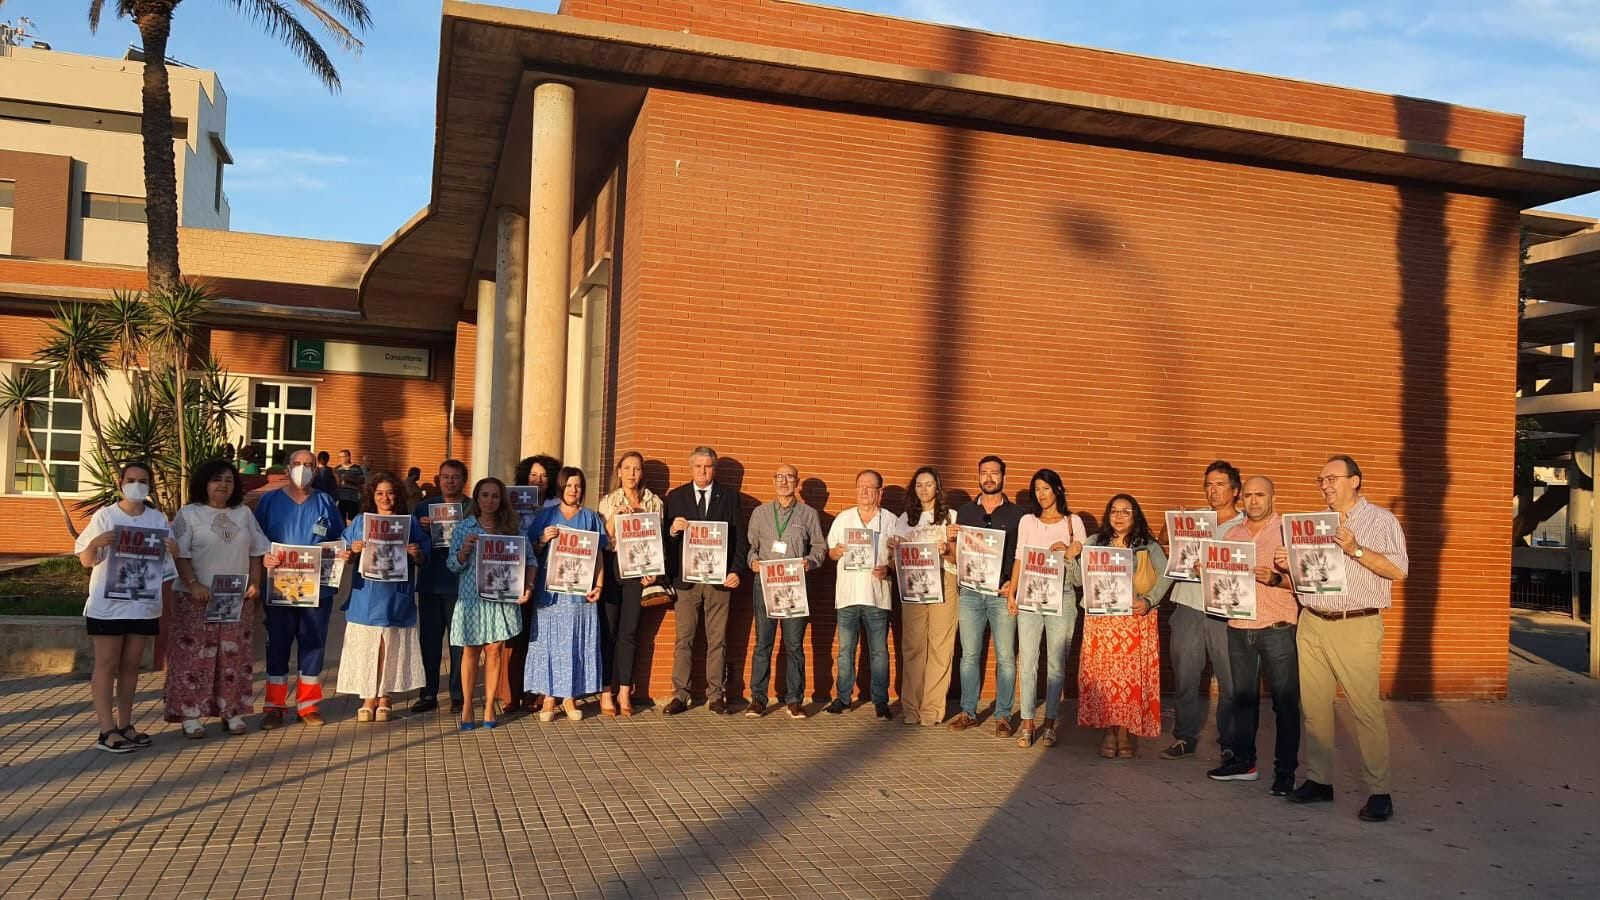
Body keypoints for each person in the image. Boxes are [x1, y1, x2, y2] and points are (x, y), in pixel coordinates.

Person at [1274, 455, 1407, 822]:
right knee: (1315, 710)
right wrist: (1289, 563)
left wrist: (1355, 549)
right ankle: (1319, 781)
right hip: (1313, 621)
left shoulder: (1381, 520)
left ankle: (1380, 792)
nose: (1325, 485)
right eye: (1321, 480)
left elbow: (1399, 570)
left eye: (1332, 478)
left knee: (1365, 710)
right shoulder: (1314, 524)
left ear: (1356, 480)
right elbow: (1307, 578)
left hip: (1356, 624)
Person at [75, 460, 178, 753]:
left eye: (142, 480)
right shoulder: (105, 516)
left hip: (143, 606)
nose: (136, 485)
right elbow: (85, 558)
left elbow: (169, 564)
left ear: (150, 485)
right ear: (120, 483)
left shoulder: (157, 519)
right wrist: (96, 543)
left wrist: (174, 549)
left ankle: (125, 724)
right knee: (107, 664)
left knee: (131, 666)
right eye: (131, 479)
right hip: (107, 606)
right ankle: (106, 730)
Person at [1209, 475, 1300, 795]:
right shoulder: (1233, 534)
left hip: (1277, 626)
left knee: (1285, 704)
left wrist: (1276, 578)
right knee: (1243, 701)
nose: (1253, 501)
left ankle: (1285, 772)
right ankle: (1244, 762)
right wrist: (1206, 573)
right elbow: (1221, 582)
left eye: (1260, 495)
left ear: (1273, 497)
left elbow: (1309, 583)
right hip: (1239, 627)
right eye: (1247, 495)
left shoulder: (1288, 532)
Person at [166, 458, 270, 738]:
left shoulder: (244, 514)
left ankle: (232, 711)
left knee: (233, 656)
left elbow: (257, 551)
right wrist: (193, 584)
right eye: (216, 480)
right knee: (194, 657)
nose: (222, 485)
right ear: (204, 483)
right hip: (196, 598)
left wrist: (256, 583)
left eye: (228, 480)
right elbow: (180, 554)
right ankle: (191, 715)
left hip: (236, 596)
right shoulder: (189, 514)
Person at [1160, 460, 1245, 762]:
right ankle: (1185, 736)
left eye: (1220, 484)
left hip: (1227, 611)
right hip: (1189, 603)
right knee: (1185, 675)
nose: (1213, 490)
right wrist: (1171, 533)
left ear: (1235, 490)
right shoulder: (1194, 519)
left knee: (1230, 680)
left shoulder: (1247, 525)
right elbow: (1165, 549)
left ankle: (1230, 741)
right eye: (1208, 484)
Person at [1078, 493, 1173, 759]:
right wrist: (1072, 556)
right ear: (1108, 516)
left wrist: (1149, 601)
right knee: (1106, 680)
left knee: (1130, 682)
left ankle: (1125, 733)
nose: (1119, 516)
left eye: (1126, 512)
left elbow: (1165, 575)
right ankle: (1109, 731)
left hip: (1135, 622)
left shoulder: (1148, 545)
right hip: (1102, 624)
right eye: (1114, 511)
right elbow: (1078, 578)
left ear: (1135, 516)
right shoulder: (1095, 542)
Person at [256, 448, 345, 729]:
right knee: (278, 646)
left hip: (317, 588)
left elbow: (338, 537)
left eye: (308, 464)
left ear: (316, 470)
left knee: (313, 645)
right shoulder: (269, 502)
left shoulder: (325, 502)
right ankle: (274, 706)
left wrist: (341, 553)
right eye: (297, 464)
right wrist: (263, 556)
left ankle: (308, 706)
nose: (302, 469)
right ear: (286, 468)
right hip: (279, 588)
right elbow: (255, 540)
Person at [335, 472, 430, 721]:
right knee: (369, 645)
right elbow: (342, 551)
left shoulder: (408, 522)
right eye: (379, 493)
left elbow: (424, 555)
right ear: (371, 496)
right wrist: (352, 550)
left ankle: (385, 695)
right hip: (366, 593)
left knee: (390, 644)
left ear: (397, 495)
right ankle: (368, 696)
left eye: (390, 492)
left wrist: (416, 553)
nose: (385, 498)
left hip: (396, 596)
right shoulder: (360, 522)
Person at [1003, 469, 1086, 749]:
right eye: (1037, 489)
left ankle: (1049, 724)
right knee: (1027, 661)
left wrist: (1071, 551)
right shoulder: (1028, 521)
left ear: (1058, 490)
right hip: (1029, 595)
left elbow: (1082, 568)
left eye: (1046, 488)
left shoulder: (1074, 523)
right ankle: (1028, 724)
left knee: (1056, 665)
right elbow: (1018, 558)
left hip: (1061, 596)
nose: (1041, 494)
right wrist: (1012, 592)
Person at [661, 446, 745, 715]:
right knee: (683, 638)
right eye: (698, 466)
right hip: (687, 581)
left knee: (717, 640)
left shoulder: (730, 498)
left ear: (714, 469)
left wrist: (736, 570)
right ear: (691, 468)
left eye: (708, 466)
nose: (703, 471)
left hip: (720, 581)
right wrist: (673, 530)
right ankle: (680, 694)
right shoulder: (676, 497)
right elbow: (662, 541)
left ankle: (715, 695)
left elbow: (741, 540)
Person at [948, 455, 1027, 736]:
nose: (989, 478)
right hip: (970, 592)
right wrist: (950, 541)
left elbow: (1024, 556)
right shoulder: (964, 512)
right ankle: (968, 712)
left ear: (1004, 477)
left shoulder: (1019, 516)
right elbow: (956, 557)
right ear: (978, 476)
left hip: (1001, 593)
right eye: (984, 473)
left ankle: (1003, 716)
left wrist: (1013, 585)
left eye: (995, 473)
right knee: (969, 655)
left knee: (1006, 656)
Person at [447, 477, 533, 730]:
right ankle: (466, 707)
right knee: (471, 651)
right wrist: (464, 550)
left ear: (501, 499)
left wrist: (527, 586)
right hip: (472, 600)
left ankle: (488, 708)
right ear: (477, 498)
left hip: (501, 600)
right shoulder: (464, 528)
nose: (490, 501)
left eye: (495, 496)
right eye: (484, 495)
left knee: (495, 651)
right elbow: (452, 565)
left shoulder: (512, 528)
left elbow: (531, 560)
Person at [745, 463, 827, 719]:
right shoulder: (760, 513)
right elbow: (751, 548)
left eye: (789, 477)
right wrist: (753, 562)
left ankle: (794, 700)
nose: (784, 481)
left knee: (794, 644)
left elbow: (820, 548)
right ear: (773, 481)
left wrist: (810, 562)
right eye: (779, 477)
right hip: (766, 584)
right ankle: (758, 699)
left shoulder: (808, 514)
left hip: (794, 586)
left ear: (796, 482)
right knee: (763, 644)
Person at [527, 466, 607, 722]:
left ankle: (570, 696)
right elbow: (531, 552)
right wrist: (541, 539)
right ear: (561, 487)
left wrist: (599, 585)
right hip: (550, 593)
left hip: (578, 593)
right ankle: (549, 696)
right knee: (549, 643)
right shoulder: (547, 515)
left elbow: (599, 555)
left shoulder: (591, 518)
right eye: (570, 485)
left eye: (579, 486)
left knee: (574, 643)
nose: (574, 490)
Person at [824, 470, 901, 718]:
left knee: (879, 651)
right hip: (847, 595)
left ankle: (881, 701)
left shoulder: (891, 521)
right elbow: (831, 554)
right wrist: (836, 550)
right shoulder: (843, 519)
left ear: (880, 492)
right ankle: (842, 698)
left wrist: (888, 567)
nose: (864, 491)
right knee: (845, 650)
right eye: (860, 486)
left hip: (877, 596)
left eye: (870, 487)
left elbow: (900, 558)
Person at [597, 450, 666, 717]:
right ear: (619, 472)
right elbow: (603, 540)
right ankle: (606, 691)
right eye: (627, 468)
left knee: (629, 632)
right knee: (609, 631)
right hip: (613, 567)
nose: (632, 474)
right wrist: (617, 515)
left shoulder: (654, 502)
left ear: (642, 473)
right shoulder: (608, 501)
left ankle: (625, 690)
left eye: (636, 469)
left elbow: (658, 543)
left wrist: (654, 572)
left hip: (638, 572)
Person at [893, 466, 959, 727]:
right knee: (913, 646)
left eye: (928, 484)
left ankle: (932, 710)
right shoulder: (905, 518)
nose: (923, 489)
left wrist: (946, 551)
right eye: (919, 484)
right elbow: (894, 558)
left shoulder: (950, 516)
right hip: (914, 584)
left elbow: (958, 558)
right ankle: (911, 708)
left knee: (941, 647)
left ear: (937, 487)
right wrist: (892, 550)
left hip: (944, 579)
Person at [413, 459, 468, 714]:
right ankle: (428, 694)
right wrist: (422, 530)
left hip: (460, 586)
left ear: (463, 480)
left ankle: (458, 694)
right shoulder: (424, 508)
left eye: (455, 477)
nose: (450, 481)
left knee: (458, 643)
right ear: (438, 479)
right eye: (445, 476)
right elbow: (411, 543)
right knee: (430, 643)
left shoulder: (470, 508)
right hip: (431, 583)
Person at [508, 453, 561, 712]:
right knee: (517, 638)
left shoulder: (558, 505)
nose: (538, 480)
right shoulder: (513, 503)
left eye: (543, 475)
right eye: (532, 475)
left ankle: (536, 692)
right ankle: (512, 694)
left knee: (539, 638)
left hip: (549, 578)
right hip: (518, 575)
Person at [334, 448, 366, 521]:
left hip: (352, 498)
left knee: (353, 519)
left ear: (348, 457)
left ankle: (352, 532)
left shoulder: (357, 468)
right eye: (339, 457)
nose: (341, 459)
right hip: (340, 498)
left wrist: (350, 480)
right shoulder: (337, 469)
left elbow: (362, 480)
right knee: (340, 519)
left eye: (342, 457)